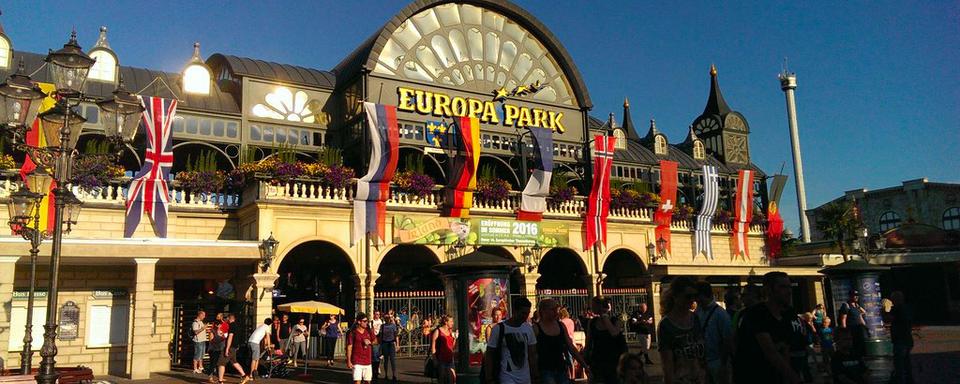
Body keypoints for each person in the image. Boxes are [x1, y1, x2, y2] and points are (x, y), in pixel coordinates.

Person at [733, 272, 800, 384]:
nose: (789, 291)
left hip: (775, 376)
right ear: (768, 290)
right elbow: (770, 351)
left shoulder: (788, 314)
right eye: (782, 287)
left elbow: (785, 348)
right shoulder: (756, 314)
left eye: (789, 286)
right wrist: (795, 379)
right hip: (752, 376)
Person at [658, 277, 706, 384]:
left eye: (694, 296)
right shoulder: (666, 325)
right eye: (688, 296)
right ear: (675, 296)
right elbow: (667, 366)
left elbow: (702, 356)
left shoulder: (695, 319)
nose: (692, 300)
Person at [533, 298, 589, 384]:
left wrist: (584, 365)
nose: (556, 312)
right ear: (543, 310)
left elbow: (571, 347)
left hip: (561, 368)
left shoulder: (561, 325)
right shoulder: (536, 328)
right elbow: (532, 353)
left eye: (557, 309)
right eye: (553, 309)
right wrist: (535, 373)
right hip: (545, 369)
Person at [484, 297, 538, 384]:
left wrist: (535, 375)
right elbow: (490, 354)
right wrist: (489, 377)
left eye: (527, 313)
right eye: (523, 313)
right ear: (515, 311)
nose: (525, 316)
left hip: (525, 378)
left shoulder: (528, 329)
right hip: (506, 377)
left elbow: (532, 354)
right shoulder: (498, 329)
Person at [694, 281, 732, 384]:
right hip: (703, 361)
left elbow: (727, 340)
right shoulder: (698, 311)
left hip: (717, 361)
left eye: (697, 296)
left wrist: (723, 364)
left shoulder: (721, 314)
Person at [584, 296, 627, 384]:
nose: (591, 308)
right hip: (597, 360)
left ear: (600, 306)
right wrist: (585, 360)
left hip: (613, 360)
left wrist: (604, 316)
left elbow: (614, 333)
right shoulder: (592, 322)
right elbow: (588, 341)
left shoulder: (615, 321)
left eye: (593, 305)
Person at [888, 291, 914, 384]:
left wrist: (884, 311)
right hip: (907, 339)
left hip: (899, 340)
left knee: (899, 364)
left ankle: (900, 381)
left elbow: (889, 318)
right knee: (906, 363)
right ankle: (909, 380)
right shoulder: (907, 308)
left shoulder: (896, 309)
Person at [216, 314, 249, 384]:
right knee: (234, 362)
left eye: (226, 318)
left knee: (221, 363)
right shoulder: (237, 326)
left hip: (230, 347)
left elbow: (230, 337)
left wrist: (227, 348)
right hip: (234, 347)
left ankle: (220, 381)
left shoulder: (231, 326)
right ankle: (245, 376)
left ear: (229, 318)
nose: (226, 319)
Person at [346, 312, 378, 384]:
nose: (366, 323)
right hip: (357, 361)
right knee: (357, 381)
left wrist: (370, 342)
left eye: (367, 321)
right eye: (364, 321)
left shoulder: (369, 331)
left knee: (368, 381)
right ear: (359, 322)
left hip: (368, 361)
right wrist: (348, 361)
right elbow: (349, 347)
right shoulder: (353, 333)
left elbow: (376, 341)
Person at [838, 291, 867, 357]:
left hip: (859, 329)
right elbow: (843, 318)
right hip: (851, 330)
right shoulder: (846, 305)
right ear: (850, 296)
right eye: (854, 295)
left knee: (860, 346)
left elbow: (864, 312)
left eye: (857, 295)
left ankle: (860, 360)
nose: (856, 297)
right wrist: (844, 330)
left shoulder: (857, 305)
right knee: (853, 346)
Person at [431, 315, 457, 384]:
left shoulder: (451, 332)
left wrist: (455, 338)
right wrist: (434, 360)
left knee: (453, 379)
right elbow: (433, 347)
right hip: (441, 360)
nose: (453, 323)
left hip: (450, 360)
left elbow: (452, 347)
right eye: (451, 321)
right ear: (446, 322)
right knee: (442, 380)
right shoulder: (438, 331)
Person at [787, 312, 812, 383]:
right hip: (802, 346)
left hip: (794, 348)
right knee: (804, 366)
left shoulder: (786, 321)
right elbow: (809, 329)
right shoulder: (801, 321)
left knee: (796, 368)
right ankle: (808, 379)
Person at [380, 313, 400, 382]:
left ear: (390, 319)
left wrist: (397, 344)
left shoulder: (393, 326)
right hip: (385, 343)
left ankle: (394, 375)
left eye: (388, 318)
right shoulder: (382, 326)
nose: (387, 319)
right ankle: (386, 375)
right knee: (386, 360)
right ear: (384, 319)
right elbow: (381, 336)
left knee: (392, 360)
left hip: (391, 343)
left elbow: (396, 335)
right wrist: (381, 345)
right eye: (385, 318)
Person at [205, 313, 225, 379]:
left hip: (220, 347)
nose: (217, 318)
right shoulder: (213, 329)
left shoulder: (223, 325)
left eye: (218, 316)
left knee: (218, 362)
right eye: (217, 316)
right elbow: (211, 340)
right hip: (214, 348)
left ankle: (219, 377)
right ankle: (210, 376)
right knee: (213, 362)